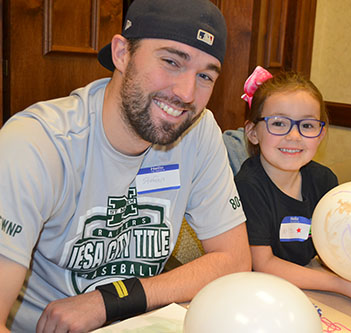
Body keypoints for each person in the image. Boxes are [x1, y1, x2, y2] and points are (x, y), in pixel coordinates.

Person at [0, 0, 251, 331]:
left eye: (205, 75)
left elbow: (234, 261)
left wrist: (111, 299)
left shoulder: (199, 131)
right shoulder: (35, 143)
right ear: (121, 53)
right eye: (171, 61)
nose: (187, 93)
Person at [235, 66, 351, 306]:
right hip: (259, 296)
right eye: (279, 123)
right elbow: (263, 265)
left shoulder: (324, 180)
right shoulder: (248, 186)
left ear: (321, 135)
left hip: (309, 290)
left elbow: (335, 246)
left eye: (308, 125)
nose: (294, 136)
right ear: (252, 132)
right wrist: (340, 285)